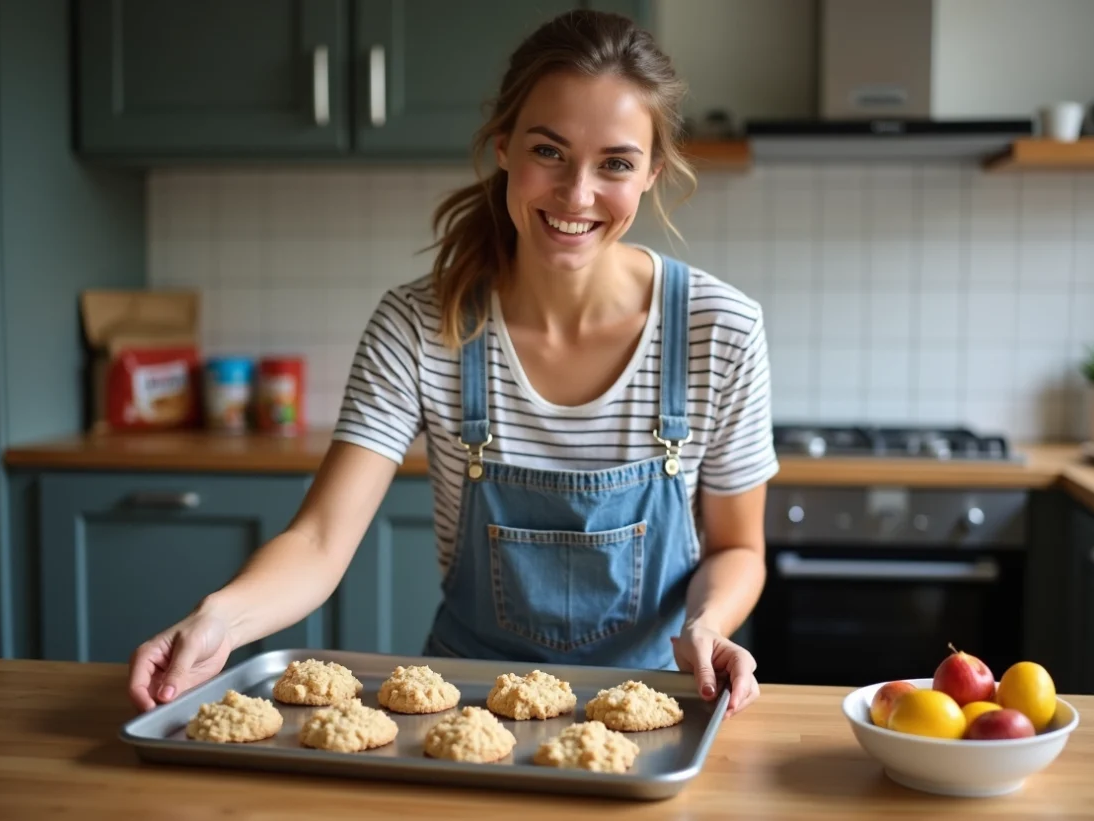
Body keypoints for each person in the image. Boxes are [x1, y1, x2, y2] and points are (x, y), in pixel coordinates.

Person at [127, 9, 777, 719]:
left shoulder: (721, 330)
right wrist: (219, 616)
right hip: (465, 705)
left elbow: (738, 546)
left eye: (615, 163)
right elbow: (318, 540)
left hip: (658, 704)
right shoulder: (421, 325)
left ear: (652, 170)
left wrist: (707, 626)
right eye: (549, 151)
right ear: (503, 145)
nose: (577, 193)